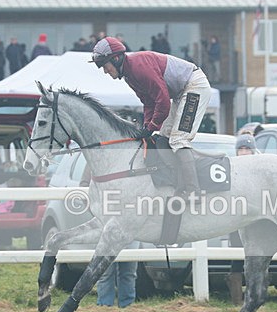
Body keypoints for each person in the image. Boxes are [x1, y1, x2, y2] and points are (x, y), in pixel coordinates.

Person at [90, 36, 212, 198]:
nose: (105, 71)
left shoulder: (139, 67)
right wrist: (147, 126)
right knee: (163, 138)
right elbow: (149, 102)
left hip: (194, 86)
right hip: (182, 92)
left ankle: (193, 191)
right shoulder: (129, 75)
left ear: (117, 59)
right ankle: (180, 184)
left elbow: (163, 102)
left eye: (105, 66)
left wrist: (151, 126)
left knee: (178, 140)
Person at [80, 166, 139, 307]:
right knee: (104, 271)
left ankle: (127, 307)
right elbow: (83, 187)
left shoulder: (133, 160)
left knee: (129, 270)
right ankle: (105, 307)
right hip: (106, 223)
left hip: (130, 222)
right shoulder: (95, 161)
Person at [225, 134, 259, 305]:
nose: (244, 152)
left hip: (256, 220)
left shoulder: (260, 170)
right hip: (236, 219)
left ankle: (255, 295)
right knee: (237, 257)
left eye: (247, 149)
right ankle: (237, 299)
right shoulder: (230, 168)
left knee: (257, 258)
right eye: (241, 149)